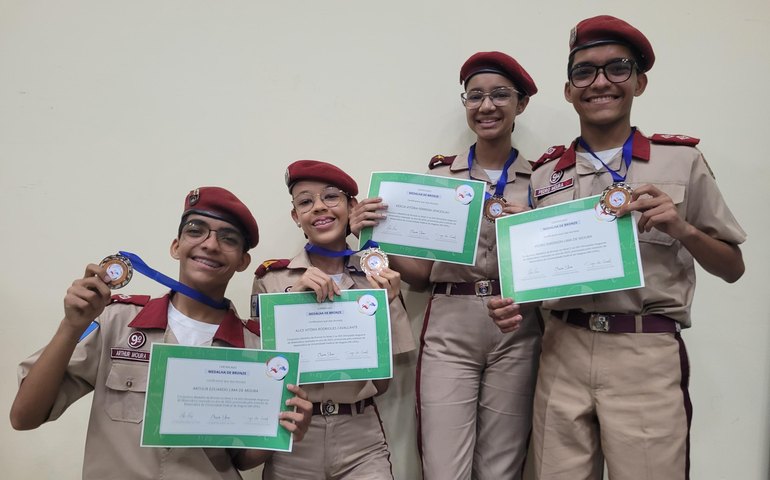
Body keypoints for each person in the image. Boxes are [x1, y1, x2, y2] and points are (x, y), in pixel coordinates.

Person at [488, 15, 747, 479]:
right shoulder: (546, 174)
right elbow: (536, 270)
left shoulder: (680, 161)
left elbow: (733, 266)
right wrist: (514, 303)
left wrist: (683, 229)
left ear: (639, 82)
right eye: (584, 72)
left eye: (616, 68)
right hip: (562, 349)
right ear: (569, 90)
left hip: (644, 353)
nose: (600, 82)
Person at [10, 186, 312, 479]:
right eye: (196, 230)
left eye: (228, 238)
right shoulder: (116, 321)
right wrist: (71, 326)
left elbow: (239, 459)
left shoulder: (257, 349)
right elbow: (24, 417)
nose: (209, 244)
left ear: (243, 261)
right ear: (176, 246)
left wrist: (282, 430)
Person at [350, 52, 542, 480]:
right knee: (443, 464)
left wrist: (526, 228)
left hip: (518, 323)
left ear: (521, 104)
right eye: (475, 96)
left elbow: (558, 264)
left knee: (502, 467)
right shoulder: (437, 181)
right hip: (451, 321)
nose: (486, 106)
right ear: (465, 104)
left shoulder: (544, 181)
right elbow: (419, 277)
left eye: (499, 95)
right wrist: (373, 236)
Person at [252, 160, 416, 479]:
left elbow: (382, 383)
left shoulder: (377, 277)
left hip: (361, 436)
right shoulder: (271, 280)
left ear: (351, 207)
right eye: (305, 201)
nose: (318, 207)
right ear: (296, 217)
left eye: (331, 197)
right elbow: (265, 375)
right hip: (295, 438)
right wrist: (293, 304)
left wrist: (387, 306)